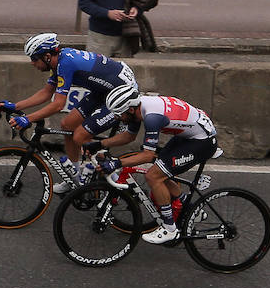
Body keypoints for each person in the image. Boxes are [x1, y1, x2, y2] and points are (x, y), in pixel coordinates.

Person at [0, 32, 140, 195]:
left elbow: (58, 105)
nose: (32, 63)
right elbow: (46, 92)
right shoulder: (57, 63)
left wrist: (27, 119)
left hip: (121, 95)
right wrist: (15, 106)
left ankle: (113, 181)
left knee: (80, 135)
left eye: (34, 59)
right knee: (67, 125)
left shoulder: (65, 64)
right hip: (103, 91)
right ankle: (75, 177)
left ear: (47, 56)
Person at [85, 93, 218, 245]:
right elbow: (128, 136)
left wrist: (116, 163)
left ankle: (169, 229)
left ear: (130, 110)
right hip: (191, 135)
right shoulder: (136, 108)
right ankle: (191, 209)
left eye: (118, 114)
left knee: (153, 176)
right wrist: (100, 144)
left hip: (202, 142)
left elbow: (147, 156)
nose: (116, 118)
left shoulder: (152, 117)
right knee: (162, 170)